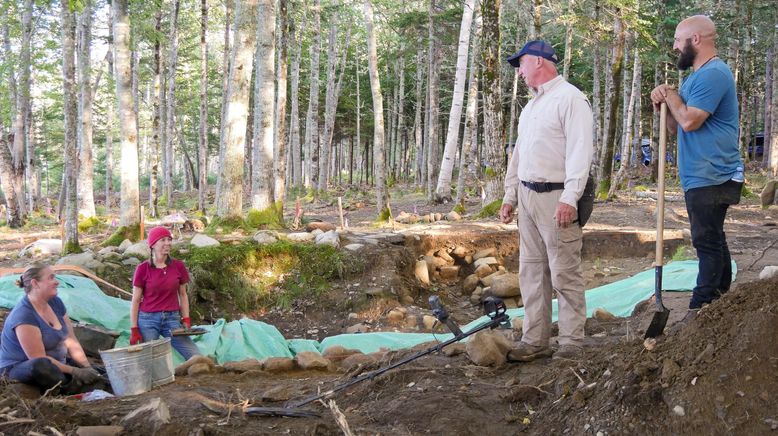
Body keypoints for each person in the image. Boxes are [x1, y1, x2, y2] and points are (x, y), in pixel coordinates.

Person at [499, 40, 593, 361]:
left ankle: (570, 342)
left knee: (564, 270)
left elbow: (581, 151)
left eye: (521, 64)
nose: (520, 71)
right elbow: (519, 155)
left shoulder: (571, 99)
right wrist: (510, 196)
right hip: (527, 197)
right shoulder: (532, 108)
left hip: (556, 197)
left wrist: (570, 197)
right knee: (531, 271)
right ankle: (535, 340)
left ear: (539, 61)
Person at [650, 15, 743, 323]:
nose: (676, 47)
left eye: (679, 40)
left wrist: (673, 96)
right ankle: (720, 301)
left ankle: (701, 306)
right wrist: (662, 105)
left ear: (696, 40)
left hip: (714, 172)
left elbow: (691, 121)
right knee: (713, 237)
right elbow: (677, 126)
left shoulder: (714, 73)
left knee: (706, 239)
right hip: (701, 173)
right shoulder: (695, 77)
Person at [0, 263, 104, 394]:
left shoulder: (56, 302)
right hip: (20, 367)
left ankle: (90, 383)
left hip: (56, 363)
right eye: (51, 278)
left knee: (101, 372)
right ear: (35, 283)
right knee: (41, 366)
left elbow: (71, 340)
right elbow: (38, 357)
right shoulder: (24, 316)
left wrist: (87, 367)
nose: (56, 282)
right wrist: (75, 371)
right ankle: (67, 389)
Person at [130, 226, 201, 360]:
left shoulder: (178, 266)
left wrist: (186, 318)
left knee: (195, 356)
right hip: (148, 320)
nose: (167, 243)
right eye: (163, 240)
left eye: (169, 240)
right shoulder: (143, 269)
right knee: (151, 362)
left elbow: (183, 294)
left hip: (172, 319)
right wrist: (134, 329)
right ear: (153, 245)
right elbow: (135, 300)